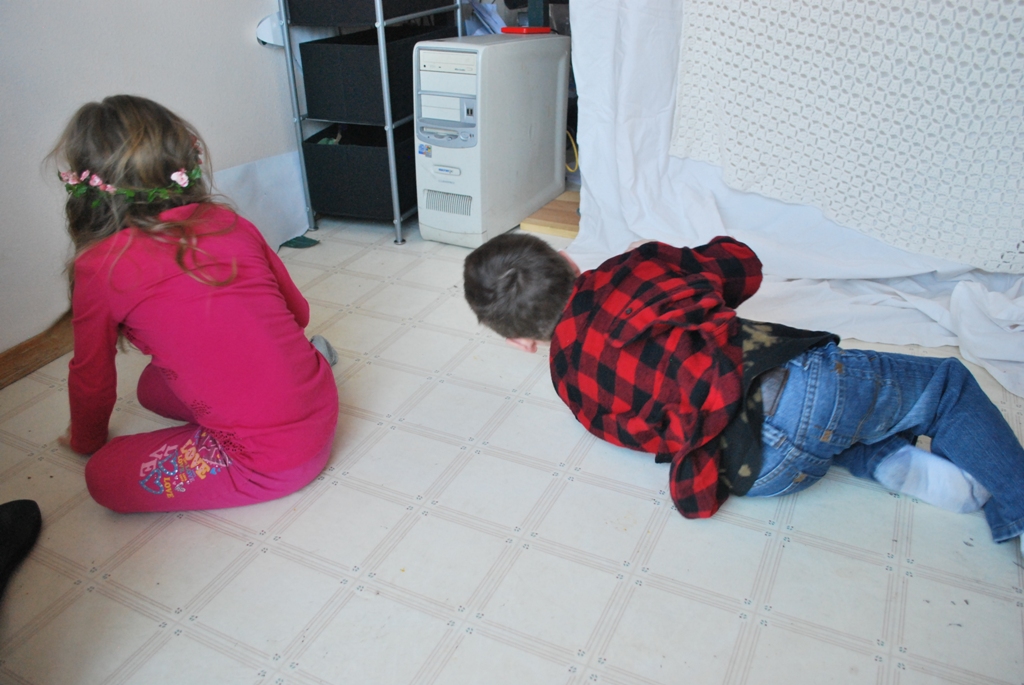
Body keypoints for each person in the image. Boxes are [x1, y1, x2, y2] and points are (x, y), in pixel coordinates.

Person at [463, 232, 1024, 550]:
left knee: (818, 427)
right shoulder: (636, 265)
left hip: (756, 471)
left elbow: (644, 433)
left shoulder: (568, 383)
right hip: (804, 390)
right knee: (947, 387)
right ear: (566, 259)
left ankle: (887, 461)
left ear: (520, 342)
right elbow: (741, 265)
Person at [51, 95, 339, 514]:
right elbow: (299, 315)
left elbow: (92, 377)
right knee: (151, 388)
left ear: (86, 185)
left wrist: (85, 441)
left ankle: (258, 430)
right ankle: (309, 369)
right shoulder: (229, 222)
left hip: (272, 462)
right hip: (321, 405)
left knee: (102, 475)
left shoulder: (100, 265)